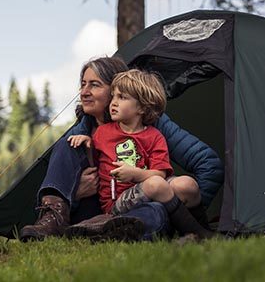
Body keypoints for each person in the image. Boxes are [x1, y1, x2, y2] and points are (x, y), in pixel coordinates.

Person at [19, 57, 223, 242]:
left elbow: (209, 166)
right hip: (97, 209)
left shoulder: (152, 126)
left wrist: (179, 214)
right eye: (82, 85)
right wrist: (74, 193)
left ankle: (191, 231)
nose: (84, 92)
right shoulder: (84, 134)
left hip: (143, 204)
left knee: (155, 211)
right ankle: (55, 222)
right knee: (67, 142)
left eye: (95, 85)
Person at [65, 69, 214, 239]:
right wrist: (86, 140)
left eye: (122, 97)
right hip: (117, 202)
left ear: (142, 107)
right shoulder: (102, 133)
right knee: (156, 184)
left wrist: (135, 174)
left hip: (150, 191)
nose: (113, 102)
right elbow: (93, 162)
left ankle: (203, 228)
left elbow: (160, 173)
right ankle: (196, 232)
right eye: (113, 96)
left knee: (188, 185)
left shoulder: (154, 136)